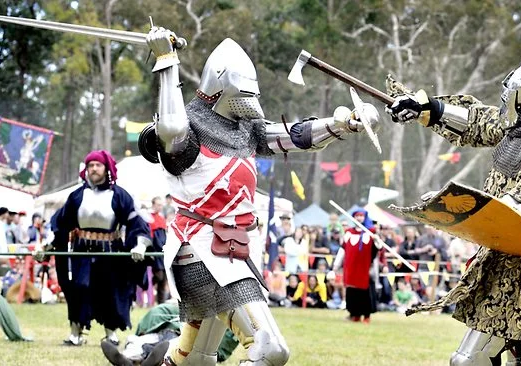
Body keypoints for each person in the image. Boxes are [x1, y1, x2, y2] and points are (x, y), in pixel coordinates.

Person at [138, 26, 379, 366]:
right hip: (202, 251)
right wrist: (166, 60)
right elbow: (171, 129)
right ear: (222, 86)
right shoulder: (187, 128)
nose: (251, 100)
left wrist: (343, 124)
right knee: (270, 350)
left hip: (231, 251)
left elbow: (292, 136)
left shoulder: (245, 130)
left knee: (197, 360)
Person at [386, 60, 521, 364]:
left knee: (473, 360)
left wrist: (457, 204)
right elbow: (477, 121)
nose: (504, 107)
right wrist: (426, 107)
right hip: (508, 263)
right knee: (517, 359)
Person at [39, 150, 153, 346]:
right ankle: (75, 333)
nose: (93, 169)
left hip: (110, 253)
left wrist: (140, 245)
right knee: (78, 289)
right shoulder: (76, 196)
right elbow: (61, 222)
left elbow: (137, 224)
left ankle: (111, 334)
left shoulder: (120, 196)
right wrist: (48, 242)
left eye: (97, 165)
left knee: (110, 291)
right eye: (90, 165)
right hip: (81, 252)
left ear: (106, 168)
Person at [100, 302, 239, 366]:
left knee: (167, 347)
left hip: (181, 338)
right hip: (164, 333)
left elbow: (222, 345)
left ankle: (131, 360)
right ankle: (129, 359)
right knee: (140, 342)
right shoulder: (174, 309)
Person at [332, 209, 380, 323]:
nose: (359, 218)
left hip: (364, 268)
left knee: (364, 292)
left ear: (364, 217)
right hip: (351, 267)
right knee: (352, 291)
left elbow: (378, 248)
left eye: (361, 216)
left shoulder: (371, 232)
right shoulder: (348, 232)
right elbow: (343, 249)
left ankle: (366, 316)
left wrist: (376, 240)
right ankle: (354, 314)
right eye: (357, 216)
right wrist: (336, 265)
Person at [150, 196, 169, 304]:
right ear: (153, 205)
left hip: (163, 253)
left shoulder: (162, 219)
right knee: (158, 276)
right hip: (155, 253)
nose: (160, 207)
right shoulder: (149, 218)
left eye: (161, 205)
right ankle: (147, 286)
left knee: (163, 280)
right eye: (158, 204)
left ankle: (160, 303)